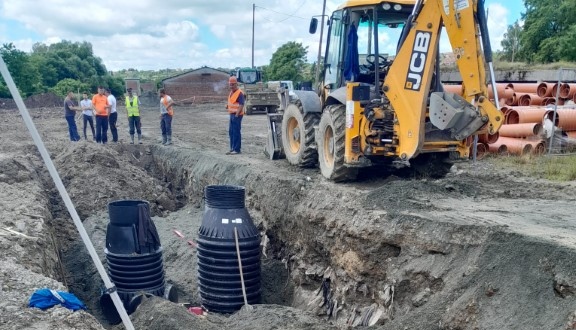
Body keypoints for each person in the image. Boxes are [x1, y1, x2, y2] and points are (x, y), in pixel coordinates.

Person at [226, 76, 244, 155]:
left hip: (237, 115)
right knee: (231, 132)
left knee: (236, 132)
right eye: (230, 84)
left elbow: (241, 104)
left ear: (236, 84)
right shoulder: (231, 92)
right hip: (231, 114)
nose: (231, 86)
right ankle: (232, 148)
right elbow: (232, 102)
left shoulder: (239, 93)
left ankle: (237, 149)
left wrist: (237, 114)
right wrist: (227, 106)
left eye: (233, 84)